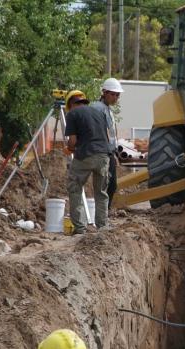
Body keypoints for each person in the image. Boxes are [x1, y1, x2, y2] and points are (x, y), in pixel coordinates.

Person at [64, 89, 111, 234]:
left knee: (75, 187)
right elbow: (106, 136)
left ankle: (80, 228)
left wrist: (70, 148)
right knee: (101, 192)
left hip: (86, 154)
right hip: (104, 155)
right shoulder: (99, 113)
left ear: (71, 104)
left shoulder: (72, 114)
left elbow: (72, 141)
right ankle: (102, 227)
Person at [90, 78, 124, 209]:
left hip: (109, 152)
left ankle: (105, 212)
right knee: (104, 185)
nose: (115, 97)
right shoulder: (97, 108)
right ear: (104, 92)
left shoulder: (107, 109)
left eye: (117, 95)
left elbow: (111, 132)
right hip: (101, 152)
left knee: (111, 185)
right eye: (113, 94)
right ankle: (102, 214)